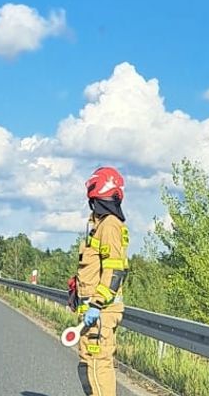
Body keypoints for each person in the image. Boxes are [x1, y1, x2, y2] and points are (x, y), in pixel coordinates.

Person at [74, 166, 129, 396]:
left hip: (101, 311)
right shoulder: (100, 226)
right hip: (94, 310)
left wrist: (96, 304)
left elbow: (115, 270)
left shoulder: (110, 225)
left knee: (97, 365)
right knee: (88, 365)